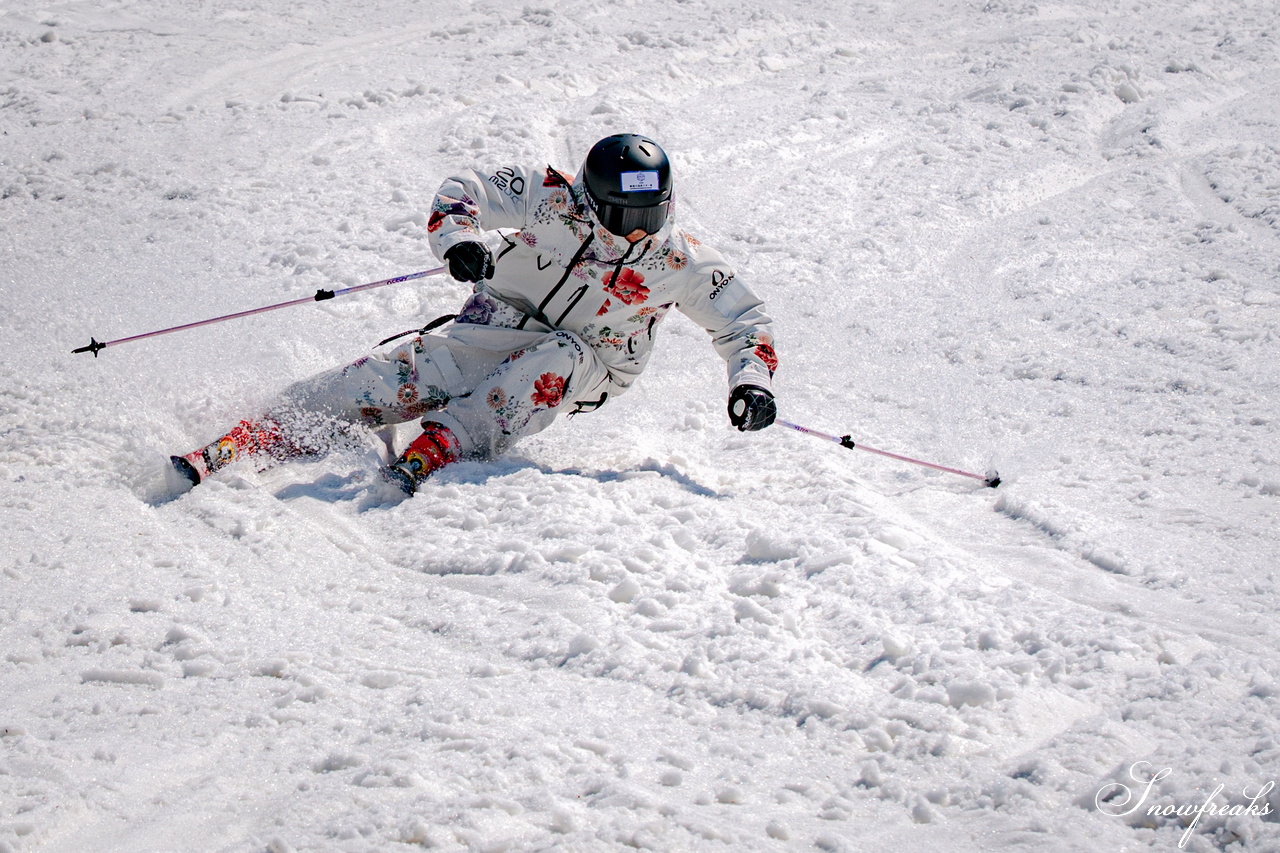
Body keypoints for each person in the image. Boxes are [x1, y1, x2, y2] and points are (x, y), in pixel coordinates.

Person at [171, 133, 778, 495]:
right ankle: (268, 430)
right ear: (591, 199)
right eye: (623, 217)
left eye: (651, 216)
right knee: (401, 376)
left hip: (594, 362)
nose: (637, 234)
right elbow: (467, 189)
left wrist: (750, 382)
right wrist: (459, 240)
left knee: (558, 359)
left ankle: (448, 441)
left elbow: (744, 320)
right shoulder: (551, 197)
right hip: (499, 323)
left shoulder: (680, 259)